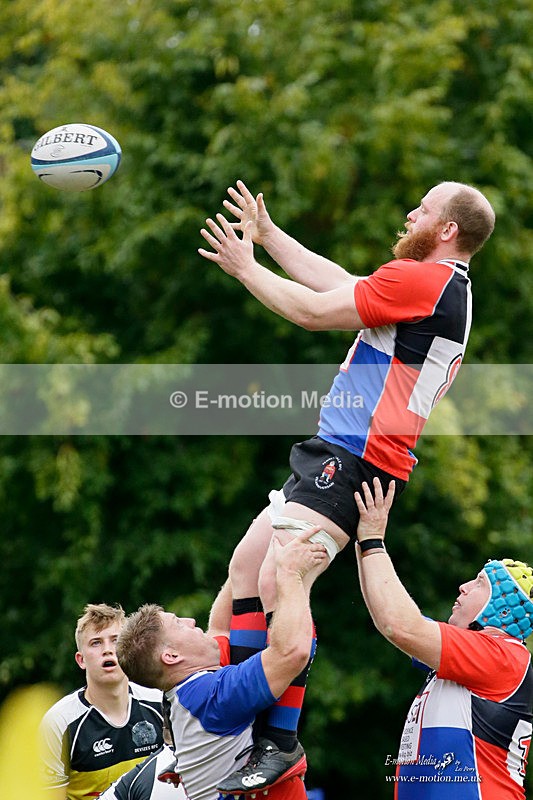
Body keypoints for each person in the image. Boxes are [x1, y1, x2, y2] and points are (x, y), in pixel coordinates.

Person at [197, 179, 496, 782]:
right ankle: (250, 721)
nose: (411, 211)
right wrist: (270, 234)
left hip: (361, 460)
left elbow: (311, 312)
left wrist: (244, 268)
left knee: (283, 575)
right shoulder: (434, 285)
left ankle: (277, 739)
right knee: (246, 568)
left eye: (425, 207)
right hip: (339, 450)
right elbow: (336, 283)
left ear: (447, 230)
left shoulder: (427, 280)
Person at [116, 529, 328, 800]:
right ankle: (281, 744)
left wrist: (243, 565)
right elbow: (292, 653)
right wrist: (290, 574)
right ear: (171, 656)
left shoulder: (189, 689)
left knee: (262, 584)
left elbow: (221, 626)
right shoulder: (212, 697)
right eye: (178, 624)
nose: (191, 621)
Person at [354, 477, 533, 798]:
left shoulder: (502, 656)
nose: (463, 586)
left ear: (505, 611)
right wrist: (362, 541)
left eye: (479, 582)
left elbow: (399, 624)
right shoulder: (484, 657)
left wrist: (372, 540)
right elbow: (388, 618)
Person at [41, 603, 165, 800]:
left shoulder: (159, 702)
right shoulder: (58, 723)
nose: (108, 650)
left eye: (115, 640)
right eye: (96, 643)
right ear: (81, 660)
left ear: (128, 650)